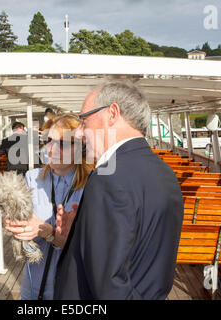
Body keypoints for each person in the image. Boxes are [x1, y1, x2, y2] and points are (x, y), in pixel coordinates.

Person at [54, 81, 184, 300]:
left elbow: (110, 285)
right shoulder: (166, 174)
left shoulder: (108, 178)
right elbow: (141, 250)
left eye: (84, 120)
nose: (79, 133)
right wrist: (81, 233)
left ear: (112, 113)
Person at [4, 114, 95, 300]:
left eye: (61, 143)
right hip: (34, 288)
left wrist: (48, 232)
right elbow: (22, 226)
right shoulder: (32, 178)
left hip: (73, 290)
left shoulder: (93, 185)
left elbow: (90, 249)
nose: (50, 149)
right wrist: (16, 225)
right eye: (49, 141)